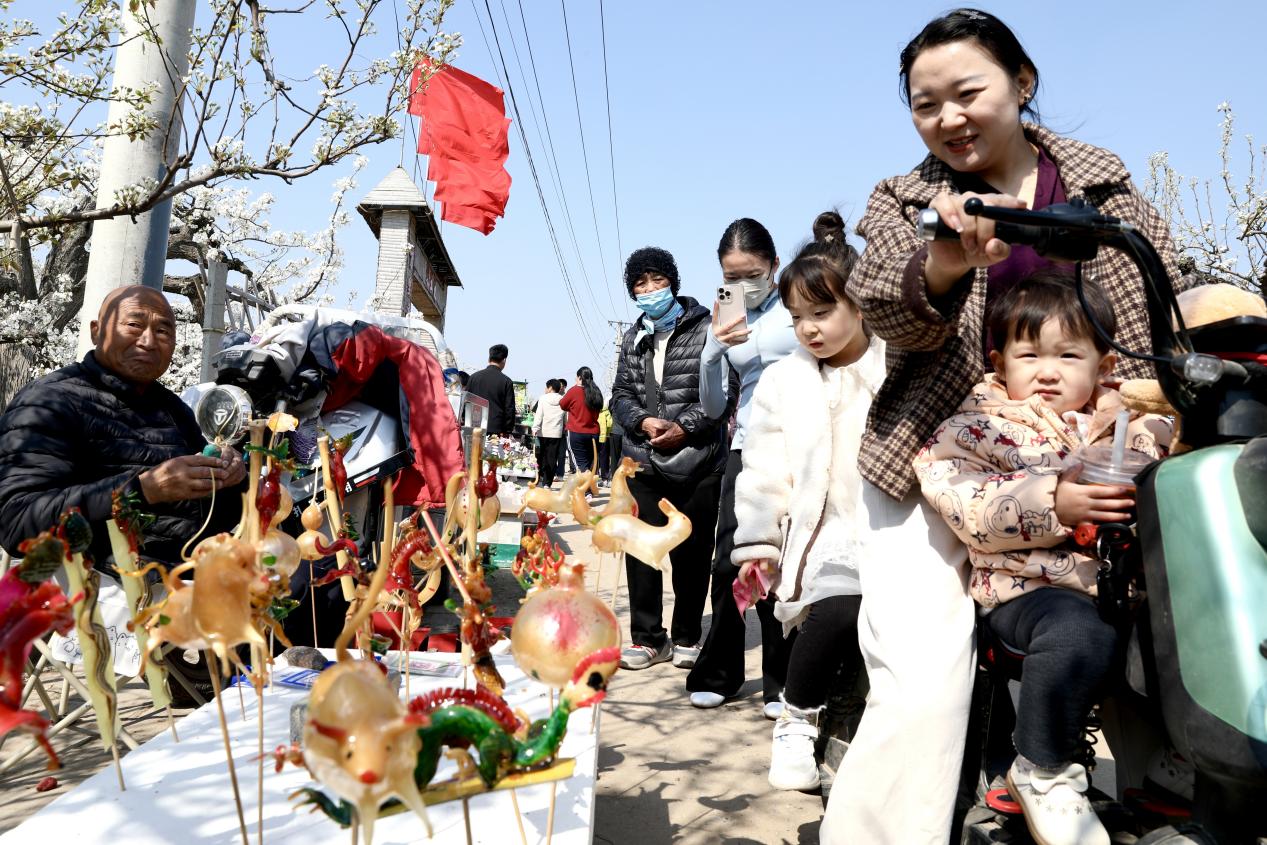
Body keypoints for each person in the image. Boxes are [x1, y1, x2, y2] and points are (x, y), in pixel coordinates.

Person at [828, 9, 1188, 843]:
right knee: (922, 678)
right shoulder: (905, 201)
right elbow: (887, 307)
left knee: (1143, 635)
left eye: (966, 92)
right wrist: (946, 261)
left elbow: (1169, 305)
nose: (947, 118)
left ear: (1020, 84)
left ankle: (1147, 804)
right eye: (925, 104)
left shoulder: (1104, 192)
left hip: (1093, 456)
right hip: (937, 459)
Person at [914, 274, 1171, 845]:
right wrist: (1052, 500)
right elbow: (966, 505)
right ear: (999, 361)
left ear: (1103, 366)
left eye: (1068, 355)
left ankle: (1177, 761)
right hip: (1024, 589)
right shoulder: (974, 427)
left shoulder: (1134, 430)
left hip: (1120, 588)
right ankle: (1042, 768)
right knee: (1079, 634)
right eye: (1029, 354)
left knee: (1186, 635)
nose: (1048, 370)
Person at [730, 227, 886, 791]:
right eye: (797, 317)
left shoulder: (894, 367)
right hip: (823, 534)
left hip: (894, 531)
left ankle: (859, 747)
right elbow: (764, 471)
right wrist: (759, 543)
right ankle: (796, 718)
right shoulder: (783, 380)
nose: (808, 329)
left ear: (861, 303)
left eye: (822, 311)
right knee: (836, 610)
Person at [0, 285, 246, 570]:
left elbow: (211, 520)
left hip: (180, 586)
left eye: (163, 331)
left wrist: (229, 479)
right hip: (94, 597)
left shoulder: (174, 410)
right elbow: (17, 522)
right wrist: (142, 490)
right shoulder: (48, 401)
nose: (149, 341)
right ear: (96, 331)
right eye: (134, 325)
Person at [686, 218, 800, 719]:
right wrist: (713, 352)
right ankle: (720, 671)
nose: (743, 285)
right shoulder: (725, 318)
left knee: (788, 562)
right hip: (747, 447)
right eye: (731, 276)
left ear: (774, 266)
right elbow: (713, 408)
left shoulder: (799, 304)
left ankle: (782, 681)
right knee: (729, 560)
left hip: (801, 445)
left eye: (752, 273)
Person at [610, 246, 738, 670]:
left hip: (698, 460)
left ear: (673, 283)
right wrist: (643, 422)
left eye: (656, 280)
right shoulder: (634, 337)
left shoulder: (707, 327)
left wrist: (685, 427)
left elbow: (727, 388)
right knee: (642, 550)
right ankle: (648, 639)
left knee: (693, 551)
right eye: (640, 284)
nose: (649, 290)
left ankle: (686, 635)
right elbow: (621, 395)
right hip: (643, 460)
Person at [560, 366, 603, 474]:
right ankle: (589, 488)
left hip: (576, 431)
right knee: (590, 464)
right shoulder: (597, 391)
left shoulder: (574, 390)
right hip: (594, 433)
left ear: (579, 377)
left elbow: (562, 404)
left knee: (580, 465)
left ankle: (585, 489)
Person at [465, 344, 516, 434]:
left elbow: (466, 402)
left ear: (489, 359)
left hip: (473, 428)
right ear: (504, 360)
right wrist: (507, 430)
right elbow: (509, 410)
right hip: (496, 431)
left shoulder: (473, 377)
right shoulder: (506, 382)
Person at [531, 379, 565, 487]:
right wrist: (565, 426)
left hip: (543, 432)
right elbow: (566, 416)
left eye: (546, 387)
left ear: (550, 387)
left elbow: (539, 414)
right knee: (552, 457)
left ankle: (541, 478)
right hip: (556, 433)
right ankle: (547, 483)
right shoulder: (563, 399)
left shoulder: (543, 398)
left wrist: (535, 427)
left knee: (543, 456)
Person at [596, 401, 613, 484]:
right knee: (606, 458)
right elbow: (610, 424)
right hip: (607, 437)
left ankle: (599, 477)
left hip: (597, 437)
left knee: (598, 457)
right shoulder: (607, 412)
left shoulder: (596, 411)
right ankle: (606, 477)